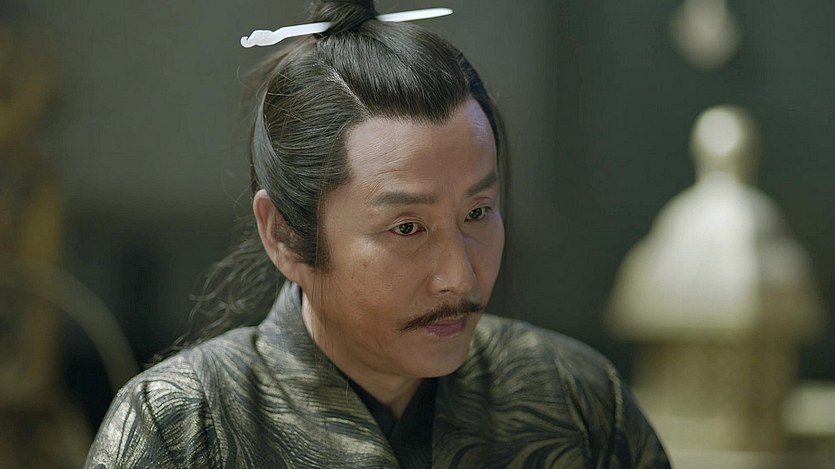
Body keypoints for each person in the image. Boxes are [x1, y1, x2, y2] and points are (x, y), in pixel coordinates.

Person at [86, 1, 670, 467]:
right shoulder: (183, 427)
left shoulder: (575, 400)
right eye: (407, 227)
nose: (459, 276)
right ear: (285, 235)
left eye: (478, 213)